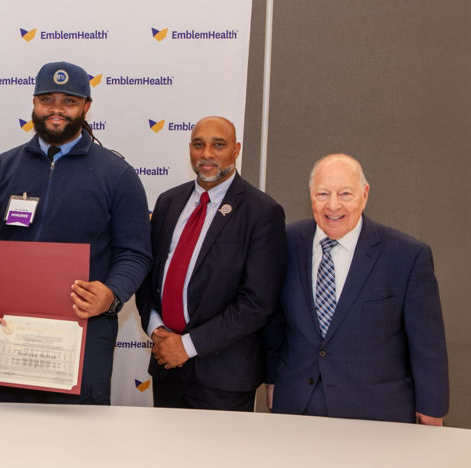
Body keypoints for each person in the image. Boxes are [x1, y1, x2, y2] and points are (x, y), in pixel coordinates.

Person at [0, 61, 153, 405]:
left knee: (79, 443)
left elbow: (135, 252)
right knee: (14, 437)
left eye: (68, 101)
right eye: (46, 99)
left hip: (85, 331)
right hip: (14, 330)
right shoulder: (0, 169)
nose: (56, 110)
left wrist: (111, 295)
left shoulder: (117, 174)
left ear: (86, 107)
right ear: (34, 104)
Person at [266, 154, 448, 424]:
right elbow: (274, 322)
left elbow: (427, 343)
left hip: (375, 414)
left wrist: (432, 409)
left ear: (365, 194)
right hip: (297, 407)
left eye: (345, 193)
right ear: (311, 196)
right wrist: (272, 380)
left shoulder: (407, 255)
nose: (333, 205)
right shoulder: (286, 243)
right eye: (323, 193)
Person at [136, 116, 286, 411]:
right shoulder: (168, 202)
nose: (206, 154)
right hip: (167, 367)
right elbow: (147, 277)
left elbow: (257, 303)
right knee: (165, 455)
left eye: (218, 145)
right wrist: (158, 331)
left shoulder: (262, 212)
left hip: (223, 378)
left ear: (236, 149)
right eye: (198, 145)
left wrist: (187, 346)